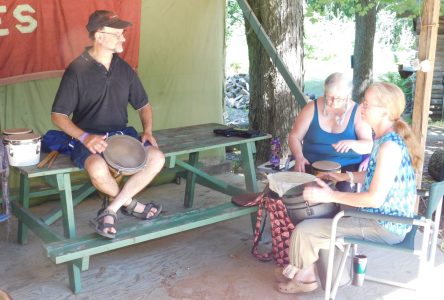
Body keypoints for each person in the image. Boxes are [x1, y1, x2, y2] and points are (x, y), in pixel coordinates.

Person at [274, 82, 422, 294]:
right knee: (323, 221)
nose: (362, 107)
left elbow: (374, 199)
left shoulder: (389, 147)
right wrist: (344, 176)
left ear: (384, 112)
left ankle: (305, 277)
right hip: (384, 219)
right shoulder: (384, 138)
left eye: (367, 104)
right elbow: (374, 176)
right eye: (363, 103)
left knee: (305, 230)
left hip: (386, 225)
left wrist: (329, 195)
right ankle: (304, 269)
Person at [51, 10, 165, 239]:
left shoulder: (124, 69)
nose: (123, 38)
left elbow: (144, 105)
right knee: (96, 168)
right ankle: (133, 205)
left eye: (123, 33)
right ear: (99, 36)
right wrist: (84, 137)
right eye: (118, 34)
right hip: (88, 136)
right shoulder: (76, 71)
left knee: (157, 158)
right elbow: (58, 115)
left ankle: (111, 209)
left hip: (122, 134)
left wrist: (148, 130)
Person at [288, 72, 373, 191]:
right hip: (311, 163)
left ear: (348, 95)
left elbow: (369, 146)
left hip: (346, 167)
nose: (333, 102)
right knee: (298, 190)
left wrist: (352, 144)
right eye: (329, 97)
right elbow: (294, 137)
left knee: (343, 191)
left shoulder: (357, 112)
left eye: (339, 98)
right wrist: (299, 156)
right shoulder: (311, 108)